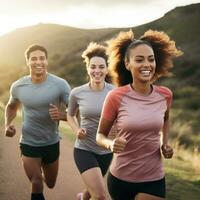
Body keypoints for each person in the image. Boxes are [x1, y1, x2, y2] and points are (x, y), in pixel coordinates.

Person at [96, 30, 182, 200]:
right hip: (121, 178)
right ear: (127, 64)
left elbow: (165, 120)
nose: (147, 64)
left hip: (154, 178)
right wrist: (111, 144)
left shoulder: (165, 95)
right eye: (139, 59)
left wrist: (165, 143)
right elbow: (100, 135)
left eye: (151, 59)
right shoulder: (116, 96)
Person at [4, 44, 71, 200]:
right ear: (28, 62)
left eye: (42, 58)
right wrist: (7, 124)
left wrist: (62, 115)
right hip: (28, 142)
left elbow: (76, 112)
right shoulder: (18, 86)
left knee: (50, 183)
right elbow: (11, 107)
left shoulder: (60, 85)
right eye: (33, 59)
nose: (38, 62)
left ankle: (42, 173)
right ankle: (36, 175)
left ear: (47, 61)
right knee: (37, 182)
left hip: (51, 142)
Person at [67, 42, 114, 200]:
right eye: (93, 67)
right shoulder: (77, 93)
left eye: (101, 67)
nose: (97, 71)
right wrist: (76, 130)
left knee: (90, 190)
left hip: (106, 152)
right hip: (84, 149)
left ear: (107, 69)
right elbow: (70, 114)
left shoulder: (115, 93)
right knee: (100, 196)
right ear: (88, 68)